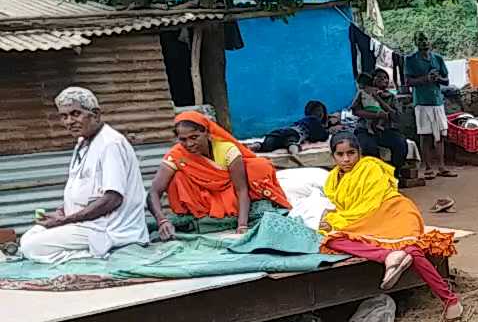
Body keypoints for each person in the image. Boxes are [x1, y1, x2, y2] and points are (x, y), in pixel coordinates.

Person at [320, 132, 462, 319]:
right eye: (340, 154)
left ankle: (450, 300)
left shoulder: (370, 167)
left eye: (351, 153)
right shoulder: (332, 179)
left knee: (411, 249)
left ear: (359, 152)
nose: (346, 159)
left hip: (395, 213)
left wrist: (337, 220)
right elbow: (344, 207)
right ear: (333, 156)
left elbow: (368, 206)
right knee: (331, 240)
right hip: (367, 222)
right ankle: (389, 256)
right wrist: (330, 217)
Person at [18, 87, 150, 264]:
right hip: (84, 223)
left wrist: (66, 220)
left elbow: (113, 198)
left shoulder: (111, 144)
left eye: (75, 114)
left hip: (107, 228)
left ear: (95, 114)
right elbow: (80, 190)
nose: (69, 121)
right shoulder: (83, 142)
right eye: (64, 116)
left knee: (31, 247)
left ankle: (87, 256)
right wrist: (60, 213)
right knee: (29, 237)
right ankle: (82, 252)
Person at [148, 111, 291, 239]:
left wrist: (242, 225)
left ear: (207, 133)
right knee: (177, 176)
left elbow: (241, 190)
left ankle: (215, 221)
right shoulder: (177, 155)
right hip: (199, 208)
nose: (189, 144)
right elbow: (154, 191)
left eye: (194, 137)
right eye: (183, 139)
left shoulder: (227, 150)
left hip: (230, 203)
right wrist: (162, 221)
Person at [403, 33, 455, 178]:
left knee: (440, 135)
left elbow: (446, 80)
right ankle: (427, 168)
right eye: (420, 40)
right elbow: (408, 82)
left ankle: (442, 167)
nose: (424, 42)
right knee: (425, 135)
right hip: (421, 102)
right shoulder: (410, 60)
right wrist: (426, 78)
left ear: (429, 41)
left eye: (425, 39)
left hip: (437, 101)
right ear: (415, 43)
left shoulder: (437, 58)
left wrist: (438, 78)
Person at [350, 72, 409, 174]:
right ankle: (377, 174)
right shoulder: (363, 93)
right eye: (379, 77)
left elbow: (396, 116)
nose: (383, 80)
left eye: (385, 77)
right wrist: (376, 115)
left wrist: (378, 98)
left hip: (384, 130)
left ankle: (395, 173)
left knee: (400, 143)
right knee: (368, 147)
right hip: (365, 129)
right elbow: (355, 111)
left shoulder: (391, 97)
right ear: (373, 79)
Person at [250, 100, 332, 155]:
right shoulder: (314, 122)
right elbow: (323, 136)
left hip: (276, 133)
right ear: (321, 115)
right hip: (293, 134)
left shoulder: (301, 121)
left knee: (266, 145)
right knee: (291, 142)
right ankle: (292, 147)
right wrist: (328, 130)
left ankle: (257, 145)